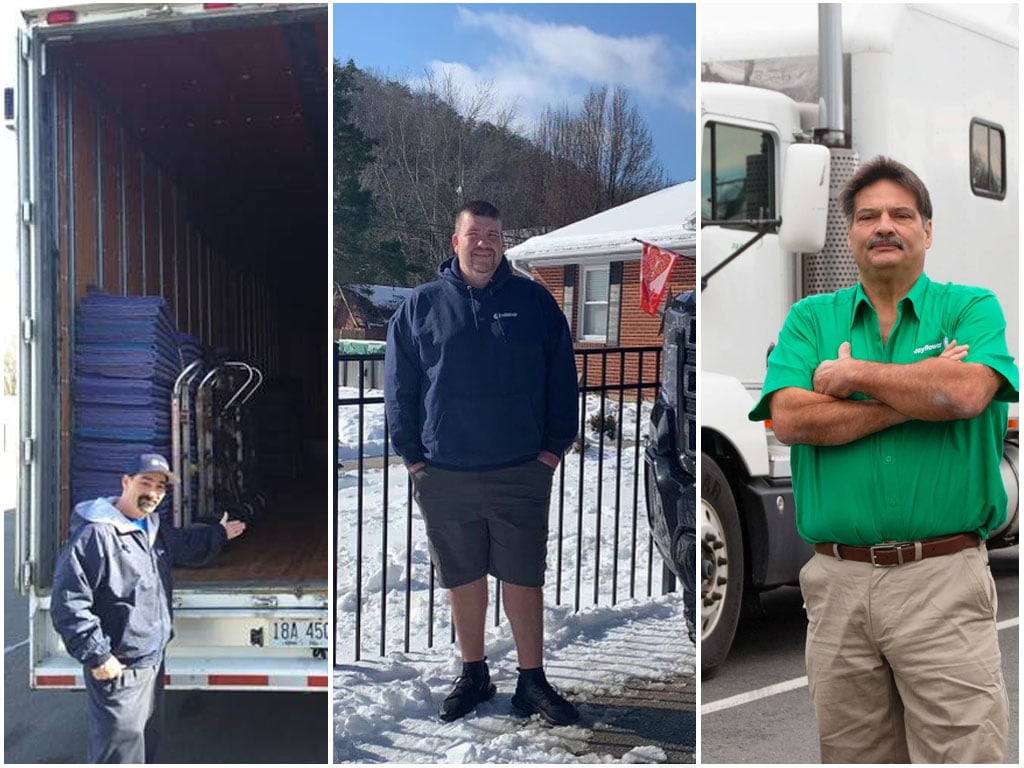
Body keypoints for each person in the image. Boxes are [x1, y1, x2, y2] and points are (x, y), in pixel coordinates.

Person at [749, 156, 1017, 763]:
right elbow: (790, 418)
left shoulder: (972, 307)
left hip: (942, 579)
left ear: (927, 229)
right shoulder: (810, 319)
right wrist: (918, 394)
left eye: (901, 213)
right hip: (838, 586)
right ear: (851, 235)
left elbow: (967, 392)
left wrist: (852, 376)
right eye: (868, 216)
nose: (884, 226)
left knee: (962, 755)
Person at [384, 200, 580, 725]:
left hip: (521, 469)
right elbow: (400, 388)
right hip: (444, 473)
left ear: (502, 242)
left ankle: (531, 681)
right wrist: (412, 457)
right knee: (463, 576)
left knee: (523, 577)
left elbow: (562, 379)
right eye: (474, 234)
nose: (484, 243)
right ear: (455, 241)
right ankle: (474, 672)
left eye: (493, 235)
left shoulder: (534, 303)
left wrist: (552, 449)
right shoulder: (420, 306)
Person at [51, 453, 246, 763]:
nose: (153, 493)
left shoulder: (151, 528)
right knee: (119, 752)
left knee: (146, 744)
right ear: (125, 482)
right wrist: (98, 655)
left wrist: (219, 533)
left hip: (151, 660)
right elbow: (68, 602)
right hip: (120, 665)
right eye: (146, 483)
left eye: (160, 487)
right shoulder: (96, 534)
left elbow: (185, 546)